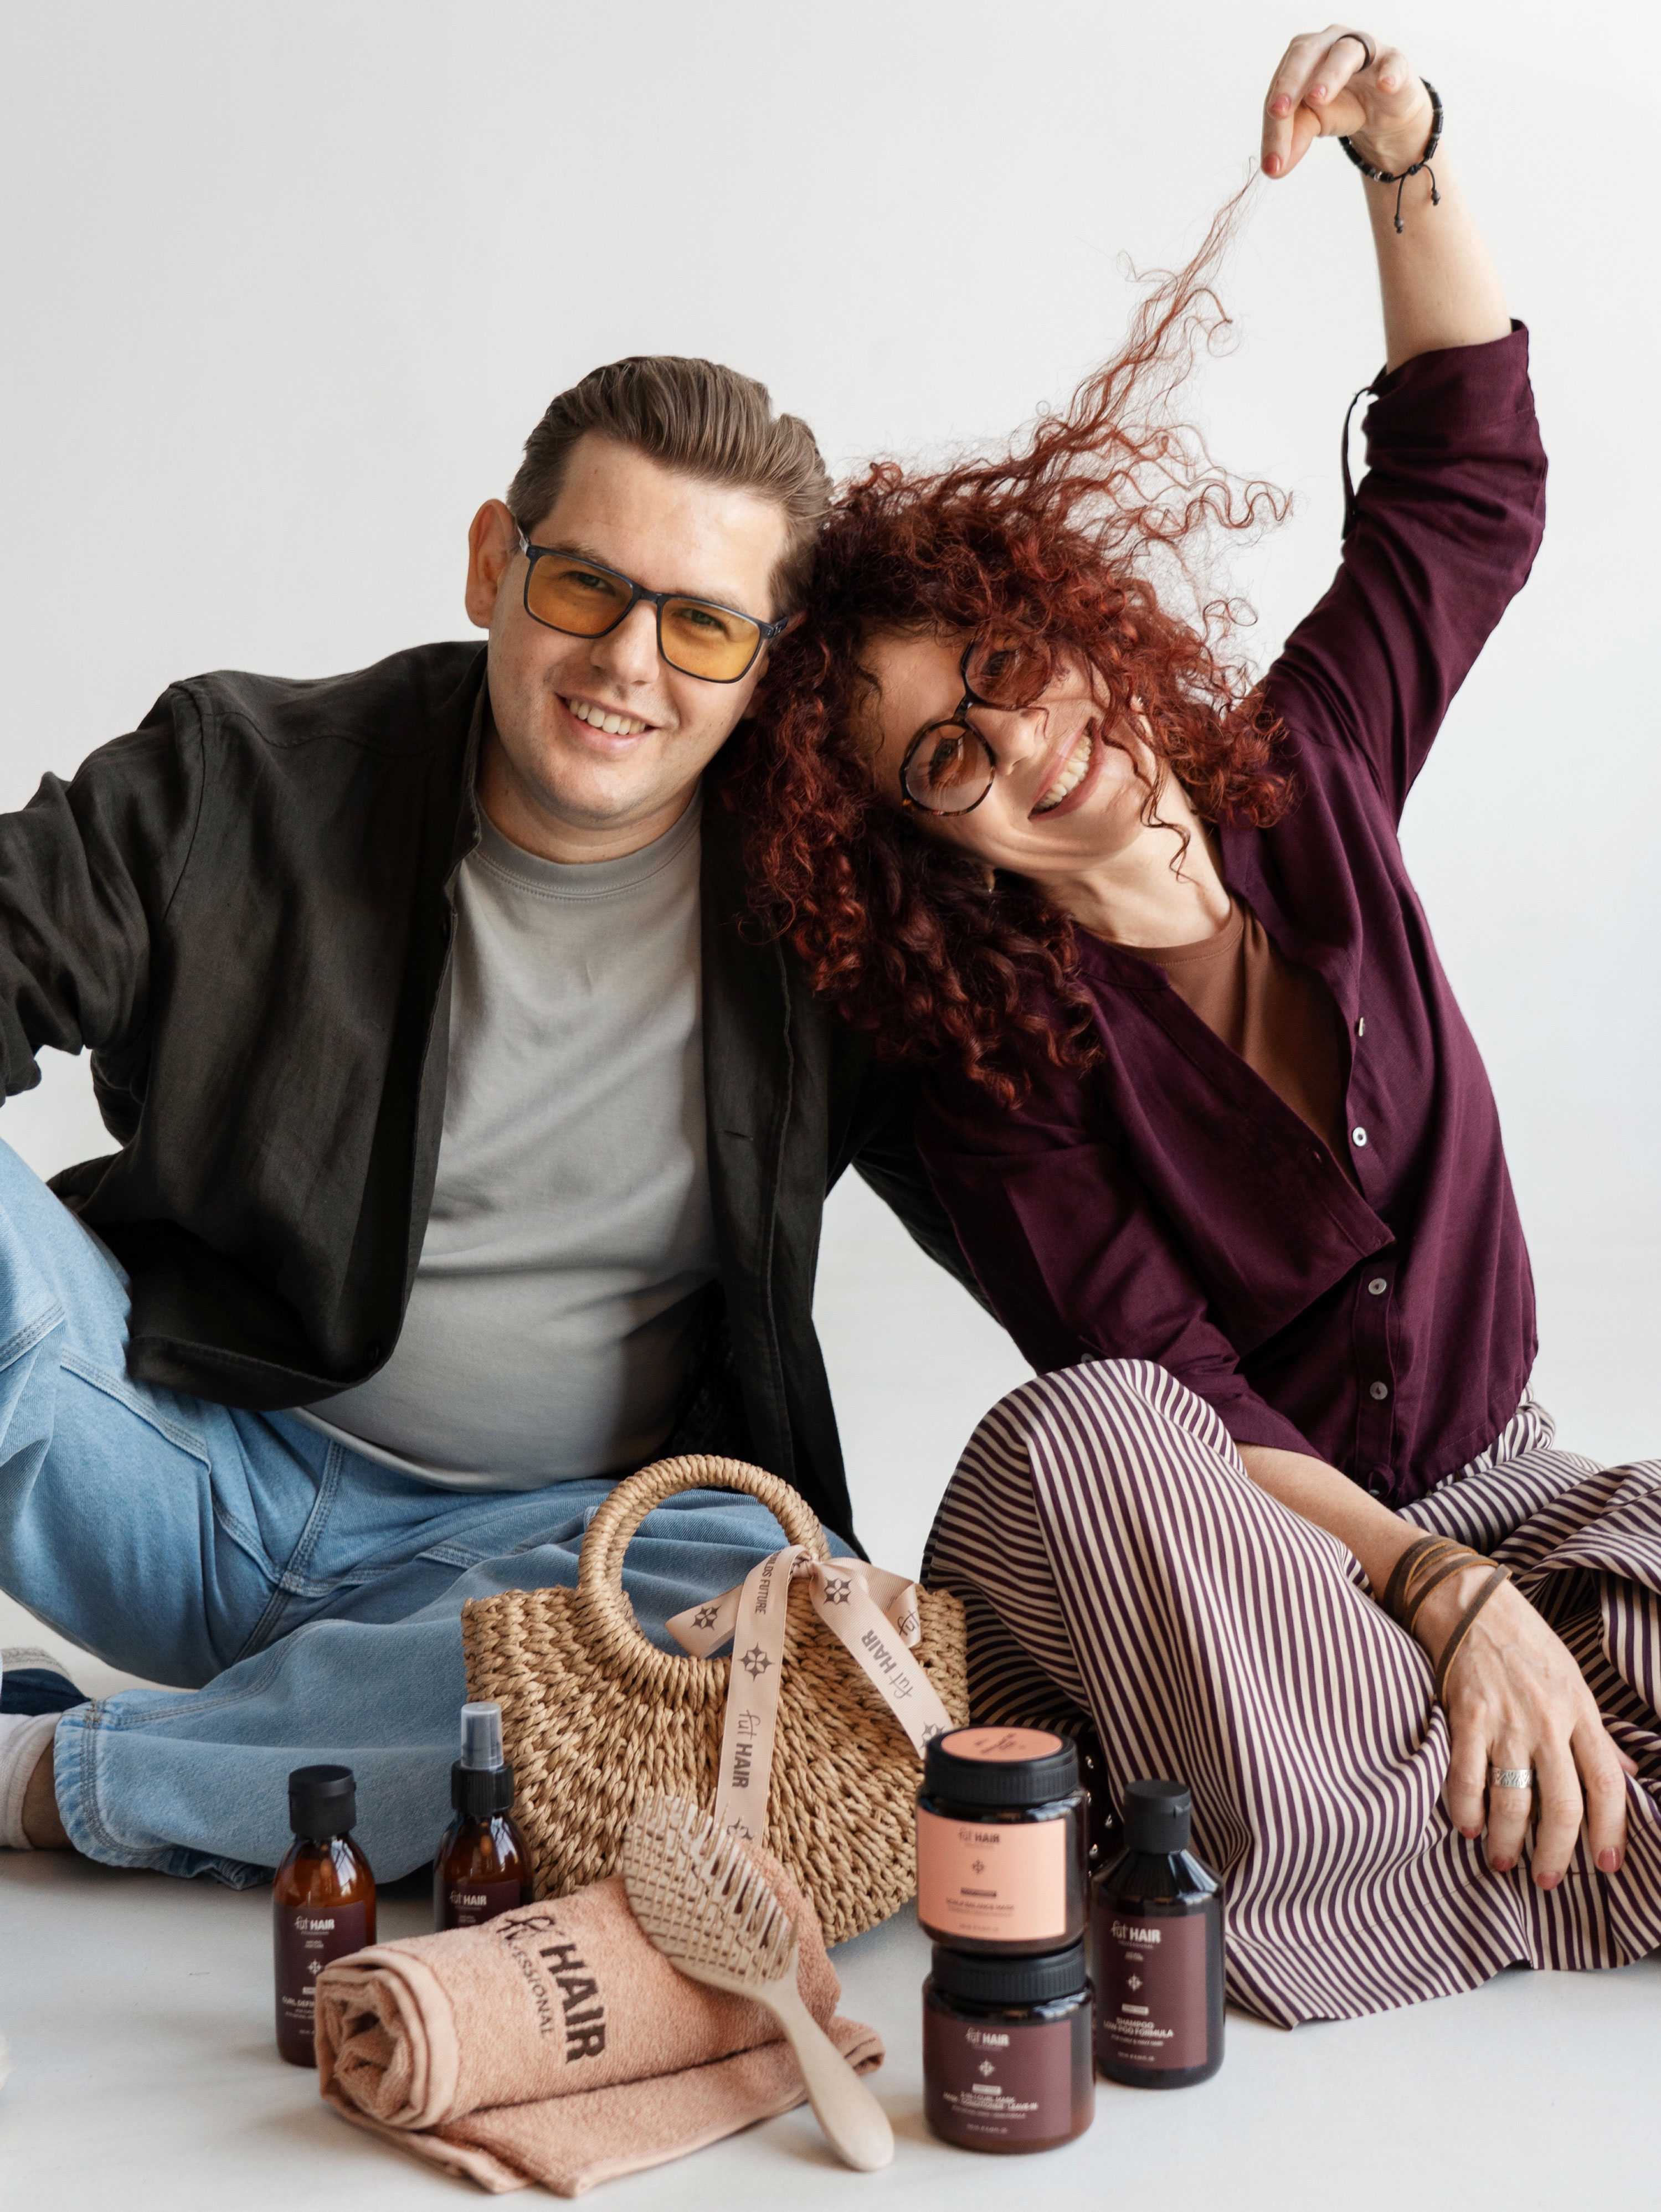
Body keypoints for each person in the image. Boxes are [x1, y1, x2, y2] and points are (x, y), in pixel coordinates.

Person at [737, 27, 1661, 2021]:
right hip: (1255, 1564)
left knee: (1632, 1598)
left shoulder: (1307, 769)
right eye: (947, 762)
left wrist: (1403, 149)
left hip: (1505, 1487)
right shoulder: (989, 1071)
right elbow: (1190, 1407)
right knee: (1091, 1434)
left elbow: (1465, 493)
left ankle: (1426, 1832)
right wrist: (1442, 1597)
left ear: (1067, 619)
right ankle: (1490, 1820)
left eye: (1003, 669)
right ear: (928, 836)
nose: (1018, 748)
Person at [0, 357, 968, 1880]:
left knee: (792, 1606)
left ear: (765, 669)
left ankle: (59, 1769)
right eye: (586, 585)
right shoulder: (242, 778)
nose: (629, 663)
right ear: (490, 565)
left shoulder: (826, 922)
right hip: (166, 1458)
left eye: (704, 625)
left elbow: (1055, 1194)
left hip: (536, 1572)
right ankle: (319, 1752)